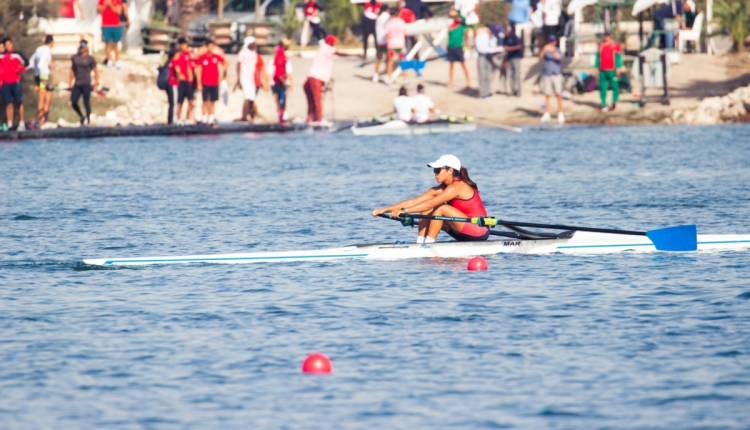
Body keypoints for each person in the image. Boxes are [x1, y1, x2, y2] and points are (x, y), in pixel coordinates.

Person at [371, 154, 489, 244]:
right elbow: (413, 202)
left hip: (478, 230)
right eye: (434, 170)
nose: (434, 174)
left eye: (437, 170)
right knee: (427, 210)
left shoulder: (458, 186)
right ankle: (420, 242)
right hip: (461, 230)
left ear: (450, 171)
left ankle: (428, 245)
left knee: (440, 208)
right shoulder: (442, 188)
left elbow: (432, 203)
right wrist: (385, 209)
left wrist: (405, 212)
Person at [303, 35, 360, 126]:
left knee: (312, 100)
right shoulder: (328, 48)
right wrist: (356, 55)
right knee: (317, 99)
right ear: (331, 43)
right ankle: (319, 120)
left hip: (311, 77)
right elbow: (340, 53)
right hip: (316, 77)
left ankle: (310, 119)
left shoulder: (321, 49)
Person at [236, 37, 269, 123]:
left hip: (251, 79)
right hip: (244, 78)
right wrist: (238, 79)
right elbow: (238, 66)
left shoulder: (254, 54)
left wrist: (259, 80)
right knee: (247, 98)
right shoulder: (243, 53)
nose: (255, 44)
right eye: (253, 43)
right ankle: (243, 118)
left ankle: (253, 117)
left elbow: (254, 69)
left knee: (251, 99)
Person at [196, 40, 227, 125]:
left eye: (212, 46)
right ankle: (204, 117)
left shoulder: (216, 57)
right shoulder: (202, 57)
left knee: (213, 100)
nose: (211, 48)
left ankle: (211, 117)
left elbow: (225, 63)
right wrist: (199, 83)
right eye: (209, 46)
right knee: (205, 100)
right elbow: (199, 70)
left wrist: (221, 71)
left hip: (214, 82)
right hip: (205, 82)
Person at [1, 37, 30, 131]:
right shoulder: (2, 56)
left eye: (10, 44)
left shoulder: (17, 54)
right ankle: (10, 124)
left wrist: (19, 70)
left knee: (19, 102)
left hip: (15, 82)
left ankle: (22, 124)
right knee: (8, 104)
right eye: (7, 45)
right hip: (5, 83)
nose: (9, 46)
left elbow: (27, 63)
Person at [69, 40, 99, 126]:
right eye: (80, 46)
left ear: (86, 47)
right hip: (77, 83)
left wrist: (96, 84)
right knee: (73, 101)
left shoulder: (90, 59)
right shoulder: (75, 58)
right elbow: (72, 70)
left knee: (86, 102)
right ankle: (81, 116)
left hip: (86, 83)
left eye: (83, 46)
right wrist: (70, 83)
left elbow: (96, 72)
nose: (81, 48)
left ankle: (88, 120)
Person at [28, 35, 54, 126]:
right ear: (51, 43)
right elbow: (41, 64)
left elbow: (31, 62)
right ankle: (43, 121)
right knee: (44, 98)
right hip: (44, 77)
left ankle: (42, 120)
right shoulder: (47, 50)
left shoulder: (39, 49)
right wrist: (44, 78)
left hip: (37, 76)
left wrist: (35, 71)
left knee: (43, 97)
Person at [539, 35, 564, 124]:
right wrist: (543, 49)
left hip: (556, 74)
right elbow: (540, 57)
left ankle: (560, 113)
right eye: (550, 41)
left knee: (558, 94)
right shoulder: (546, 50)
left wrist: (552, 51)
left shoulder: (557, 50)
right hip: (547, 74)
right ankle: (546, 113)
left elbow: (559, 58)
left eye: (552, 41)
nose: (551, 43)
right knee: (547, 94)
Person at [268, 38, 293, 124]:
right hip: (278, 82)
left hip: (280, 81)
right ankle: (281, 119)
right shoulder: (280, 55)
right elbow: (278, 71)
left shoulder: (281, 55)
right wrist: (283, 81)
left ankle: (282, 118)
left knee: (282, 100)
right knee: (280, 101)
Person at [596, 30, 622, 112]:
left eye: (608, 35)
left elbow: (618, 57)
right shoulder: (601, 45)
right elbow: (597, 56)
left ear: (611, 35)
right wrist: (596, 67)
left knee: (614, 87)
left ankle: (614, 103)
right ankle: (604, 104)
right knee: (603, 87)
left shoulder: (615, 44)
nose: (607, 37)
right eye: (605, 35)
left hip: (612, 70)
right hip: (603, 70)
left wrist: (618, 67)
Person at [475, 26, 503, 99]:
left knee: (488, 75)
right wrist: (498, 49)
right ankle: (482, 93)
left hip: (489, 56)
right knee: (482, 75)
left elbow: (492, 46)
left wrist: (497, 48)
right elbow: (483, 49)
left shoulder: (492, 37)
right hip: (482, 56)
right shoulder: (482, 36)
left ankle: (487, 92)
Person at [173, 37, 195, 124]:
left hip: (188, 81)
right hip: (181, 81)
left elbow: (189, 64)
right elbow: (176, 66)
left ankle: (187, 118)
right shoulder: (177, 55)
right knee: (180, 101)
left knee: (191, 100)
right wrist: (179, 74)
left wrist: (190, 75)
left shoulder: (188, 54)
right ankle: (178, 119)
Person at [447, 10, 470, 90]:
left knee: (463, 64)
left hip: (458, 47)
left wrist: (457, 13)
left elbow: (464, 19)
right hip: (450, 47)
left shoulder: (462, 25)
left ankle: (468, 81)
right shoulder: (451, 25)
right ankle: (451, 82)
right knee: (451, 65)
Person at [97, 0, 123, 69]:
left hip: (116, 25)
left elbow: (119, 11)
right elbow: (98, 10)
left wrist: (111, 5)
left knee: (116, 44)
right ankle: (109, 61)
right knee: (107, 43)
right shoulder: (102, 1)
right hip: (105, 25)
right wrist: (105, 5)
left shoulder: (117, 1)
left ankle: (117, 61)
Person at [384, 7, 406, 85]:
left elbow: (386, 35)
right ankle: (405, 78)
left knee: (390, 62)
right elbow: (404, 32)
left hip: (392, 45)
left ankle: (389, 78)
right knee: (402, 61)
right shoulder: (401, 21)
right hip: (400, 44)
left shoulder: (388, 23)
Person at [502, 25, 523, 96]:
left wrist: (510, 48)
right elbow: (504, 50)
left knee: (517, 74)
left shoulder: (514, 36)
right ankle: (512, 90)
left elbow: (519, 46)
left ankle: (519, 91)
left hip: (516, 57)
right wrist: (505, 61)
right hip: (509, 58)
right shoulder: (504, 38)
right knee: (510, 75)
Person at [373, 5, 390, 82]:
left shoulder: (378, 17)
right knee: (387, 60)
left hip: (379, 41)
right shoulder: (387, 17)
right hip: (386, 41)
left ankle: (375, 75)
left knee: (378, 59)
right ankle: (387, 76)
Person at [164, 45, 178, 125]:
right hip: (172, 83)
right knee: (174, 102)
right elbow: (177, 72)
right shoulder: (174, 62)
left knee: (171, 103)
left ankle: (170, 120)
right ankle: (173, 121)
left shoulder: (168, 62)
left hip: (167, 84)